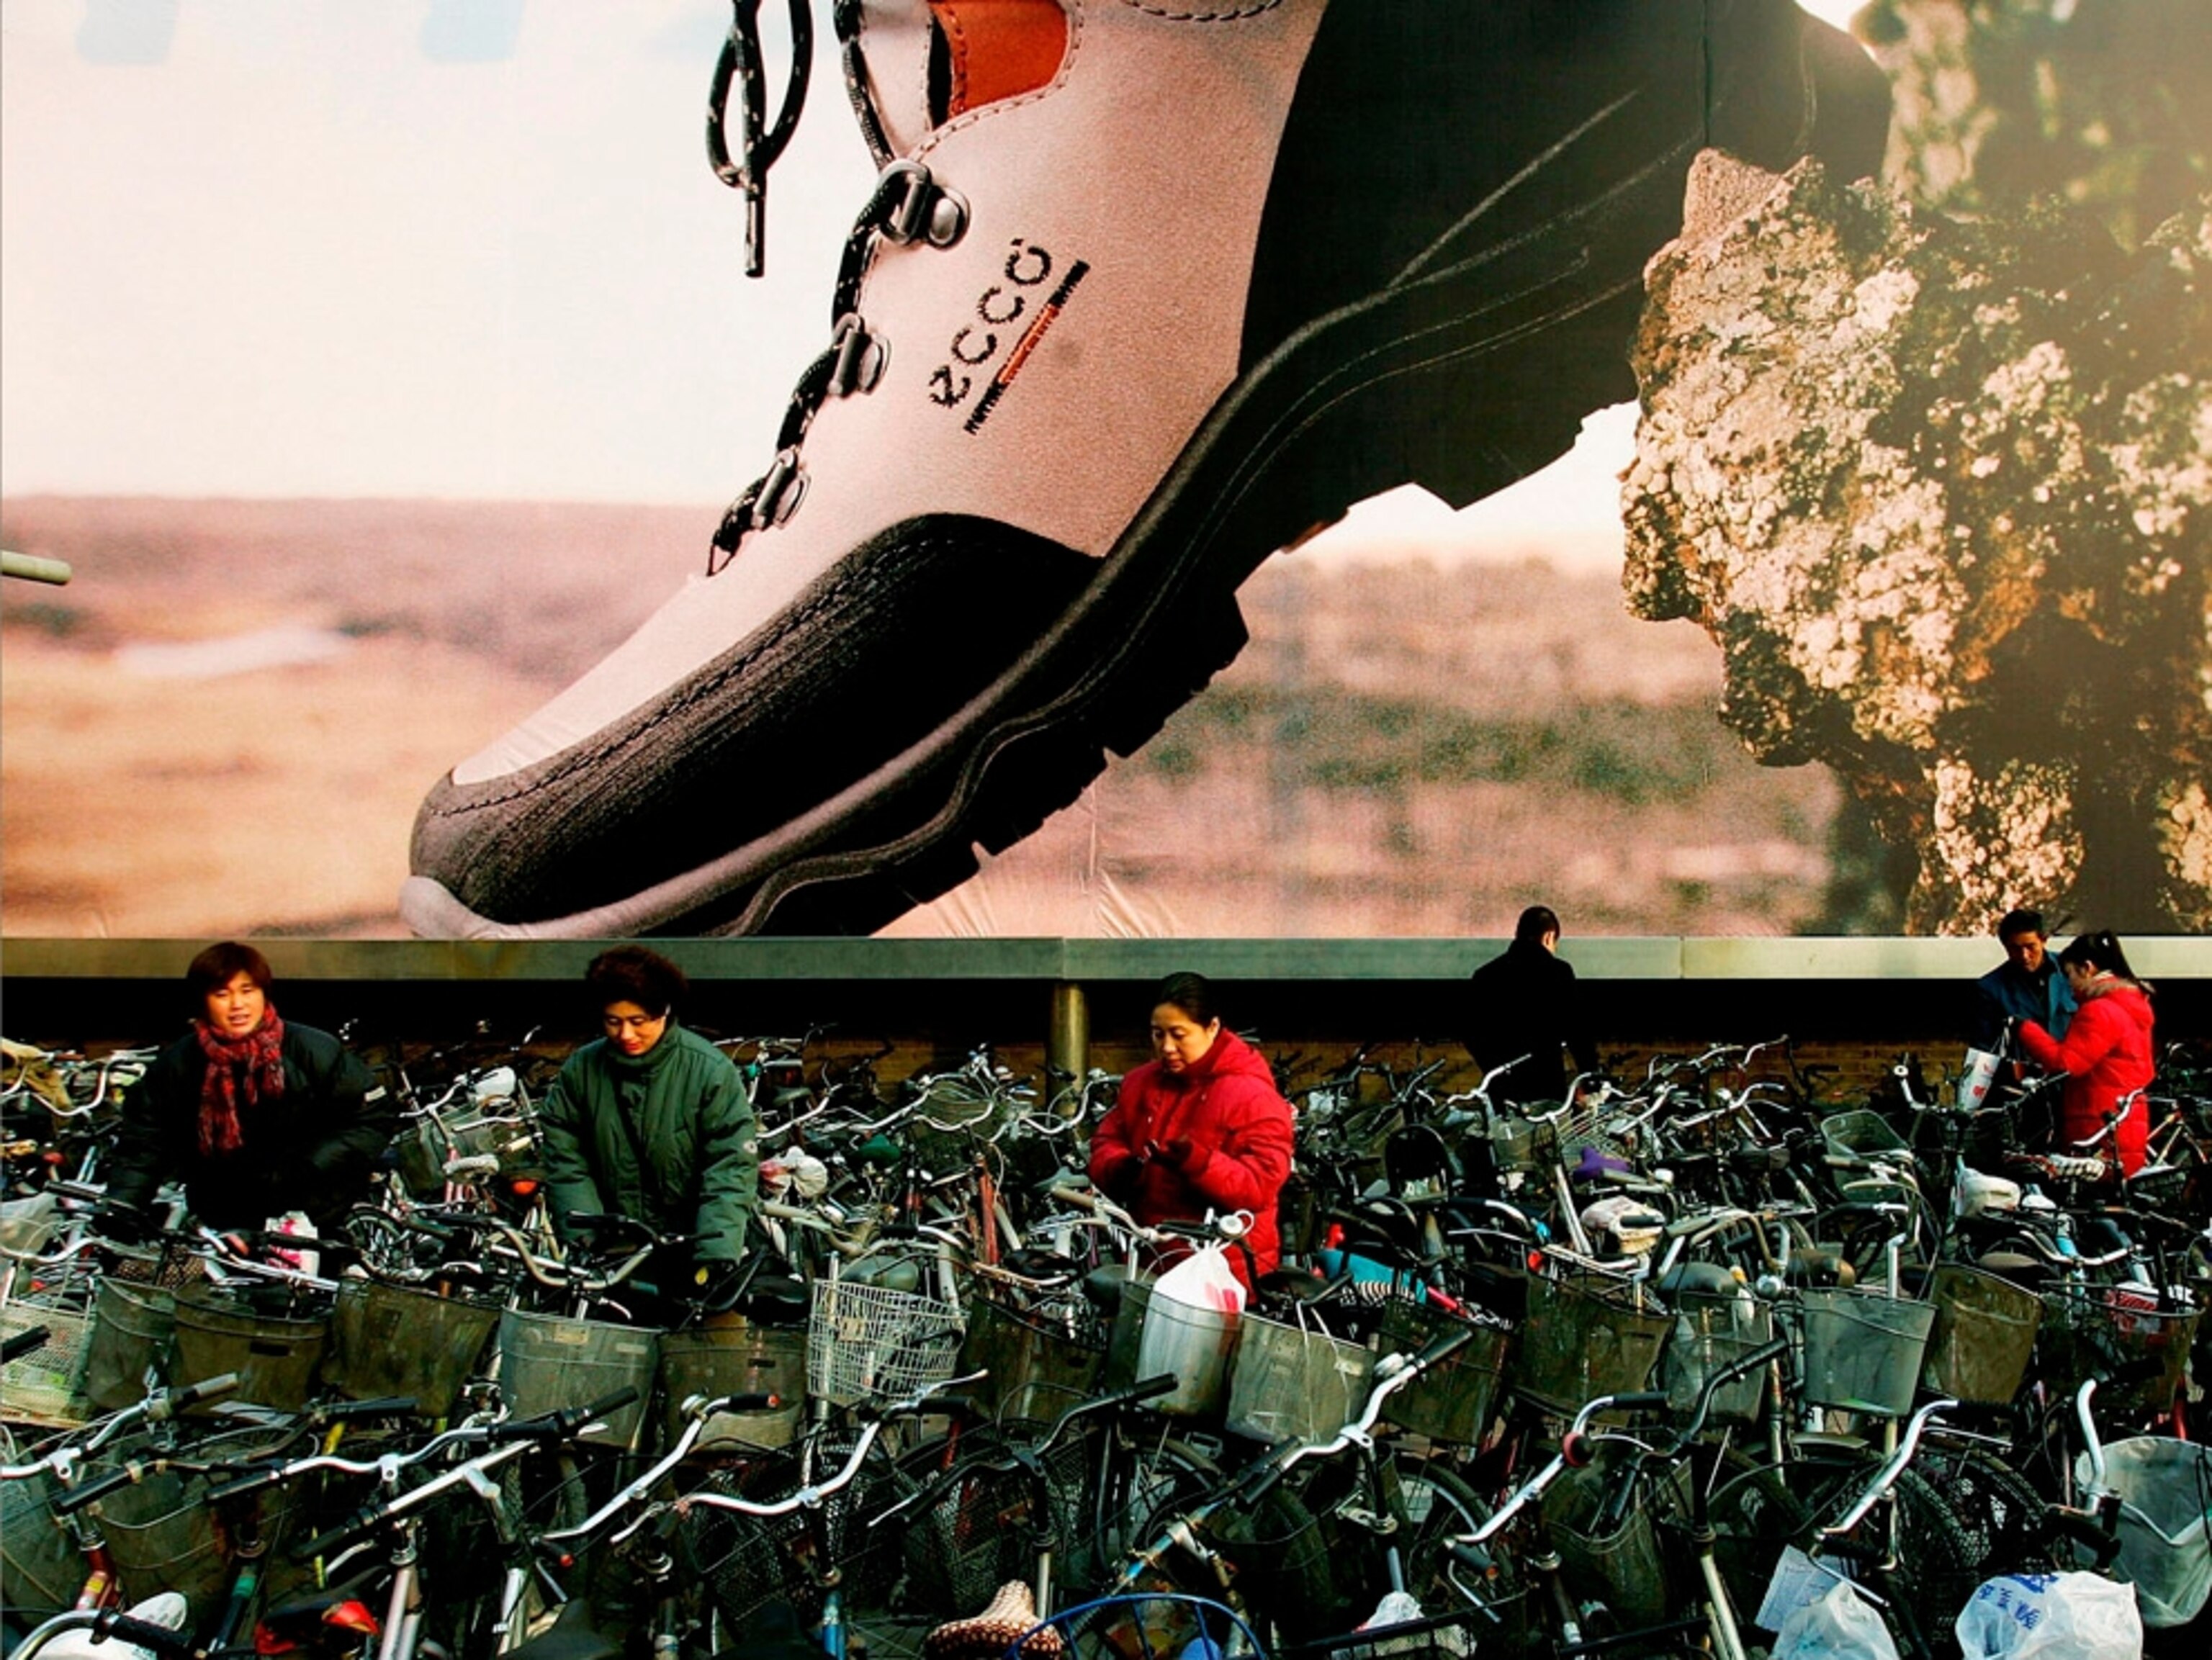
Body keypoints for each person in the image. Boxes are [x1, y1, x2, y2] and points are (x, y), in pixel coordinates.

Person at [104, 942, 397, 1237]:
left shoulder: (314, 1051)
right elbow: (143, 1146)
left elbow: (371, 1120)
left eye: (247, 991)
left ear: (263, 994)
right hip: (224, 1221)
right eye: (222, 994)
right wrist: (121, 1209)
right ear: (203, 1001)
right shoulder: (177, 1066)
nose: (237, 1005)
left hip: (315, 1218)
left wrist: (307, 1168)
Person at [537, 946, 759, 1307]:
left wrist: (716, 1251)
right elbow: (566, 1162)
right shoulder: (581, 1071)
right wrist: (587, 1239)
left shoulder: (709, 1071)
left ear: (664, 1012)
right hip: (614, 1254)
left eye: (638, 1021)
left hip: (692, 1246)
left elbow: (731, 1166)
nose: (626, 1034)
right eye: (613, 1021)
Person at [1088, 973, 1295, 1286]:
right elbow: (1107, 1140)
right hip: (1151, 1259)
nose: (1167, 1047)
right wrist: (1119, 1167)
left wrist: (1201, 1163)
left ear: (1212, 1028)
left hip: (1224, 1271)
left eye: (1178, 1035)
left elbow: (1261, 1185)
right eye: (1158, 1035)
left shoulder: (1253, 1094)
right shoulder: (1139, 1083)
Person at [2016, 931, 2156, 1178]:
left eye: (2069, 974)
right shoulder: (2131, 1004)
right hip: (2123, 1122)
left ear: (2087, 968)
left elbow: (2066, 1064)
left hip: (2096, 1125)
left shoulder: (2100, 1011)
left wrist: (2025, 1030)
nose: (2068, 985)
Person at [1464, 906, 1599, 1109]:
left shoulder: (1486, 975)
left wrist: (1494, 1068)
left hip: (1502, 1087)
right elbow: (1577, 1031)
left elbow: (1471, 1032)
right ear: (1548, 937)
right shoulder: (1558, 972)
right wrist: (1589, 1077)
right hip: (1547, 1083)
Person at [1971, 908, 2074, 1054]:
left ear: (2043, 940)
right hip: (2024, 1073)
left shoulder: (2073, 971)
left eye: (2030, 947)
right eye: (2015, 949)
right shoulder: (1990, 988)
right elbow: (1985, 1048)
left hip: (2075, 1069)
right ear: (2005, 946)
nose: (2024, 956)